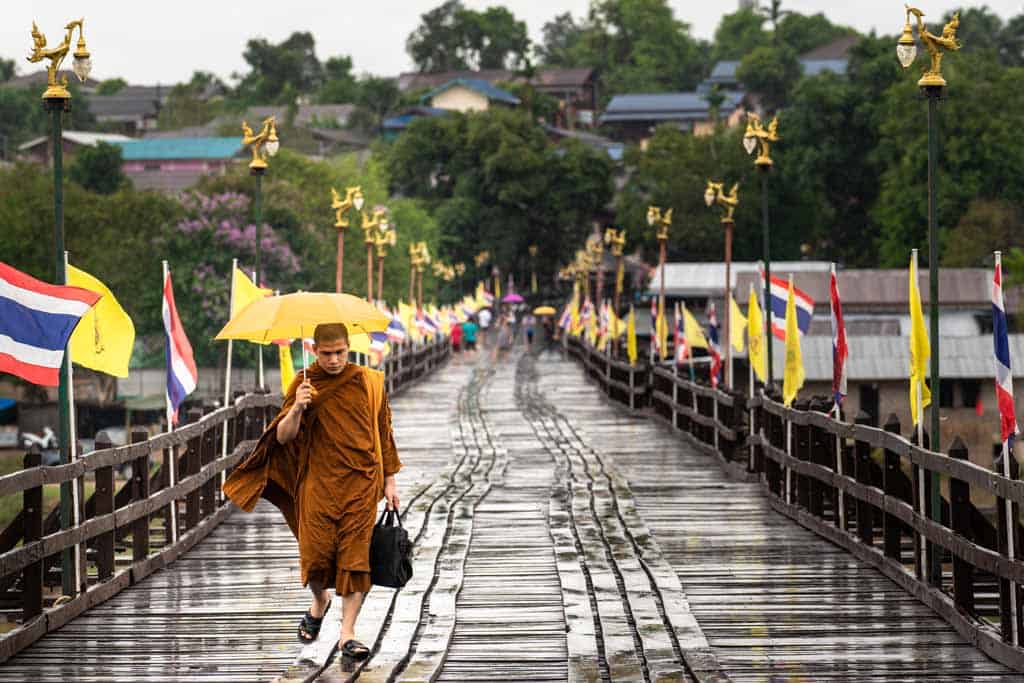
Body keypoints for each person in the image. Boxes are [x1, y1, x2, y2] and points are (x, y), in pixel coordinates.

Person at [223, 323, 401, 665]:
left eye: (340, 353)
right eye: (327, 354)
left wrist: (390, 482)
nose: (334, 360)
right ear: (315, 351)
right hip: (317, 485)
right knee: (315, 558)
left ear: (348, 349)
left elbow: (385, 433)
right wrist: (297, 407)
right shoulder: (304, 384)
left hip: (361, 485)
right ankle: (320, 602)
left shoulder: (369, 381)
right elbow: (283, 437)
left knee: (355, 560)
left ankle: (347, 634)